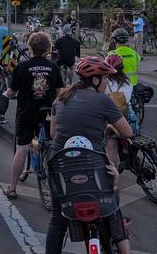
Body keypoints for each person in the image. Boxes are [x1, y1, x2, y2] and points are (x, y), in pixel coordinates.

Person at [46, 56, 133, 254]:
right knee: (110, 208)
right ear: (95, 80)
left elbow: (53, 134)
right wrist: (108, 126)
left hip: (61, 170)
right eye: (105, 79)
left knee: (57, 221)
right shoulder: (103, 100)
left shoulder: (60, 99)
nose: (106, 84)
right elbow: (128, 132)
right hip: (92, 169)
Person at [2, 32, 63, 199]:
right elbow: (60, 93)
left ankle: (13, 188)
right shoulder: (53, 66)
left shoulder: (21, 66)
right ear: (47, 47)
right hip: (49, 113)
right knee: (51, 146)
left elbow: (11, 91)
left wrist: (5, 95)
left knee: (21, 149)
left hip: (26, 112)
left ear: (30, 46)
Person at [104, 54, 137, 165]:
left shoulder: (105, 83)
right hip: (127, 117)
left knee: (110, 146)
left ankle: (113, 174)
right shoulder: (128, 82)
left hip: (112, 119)